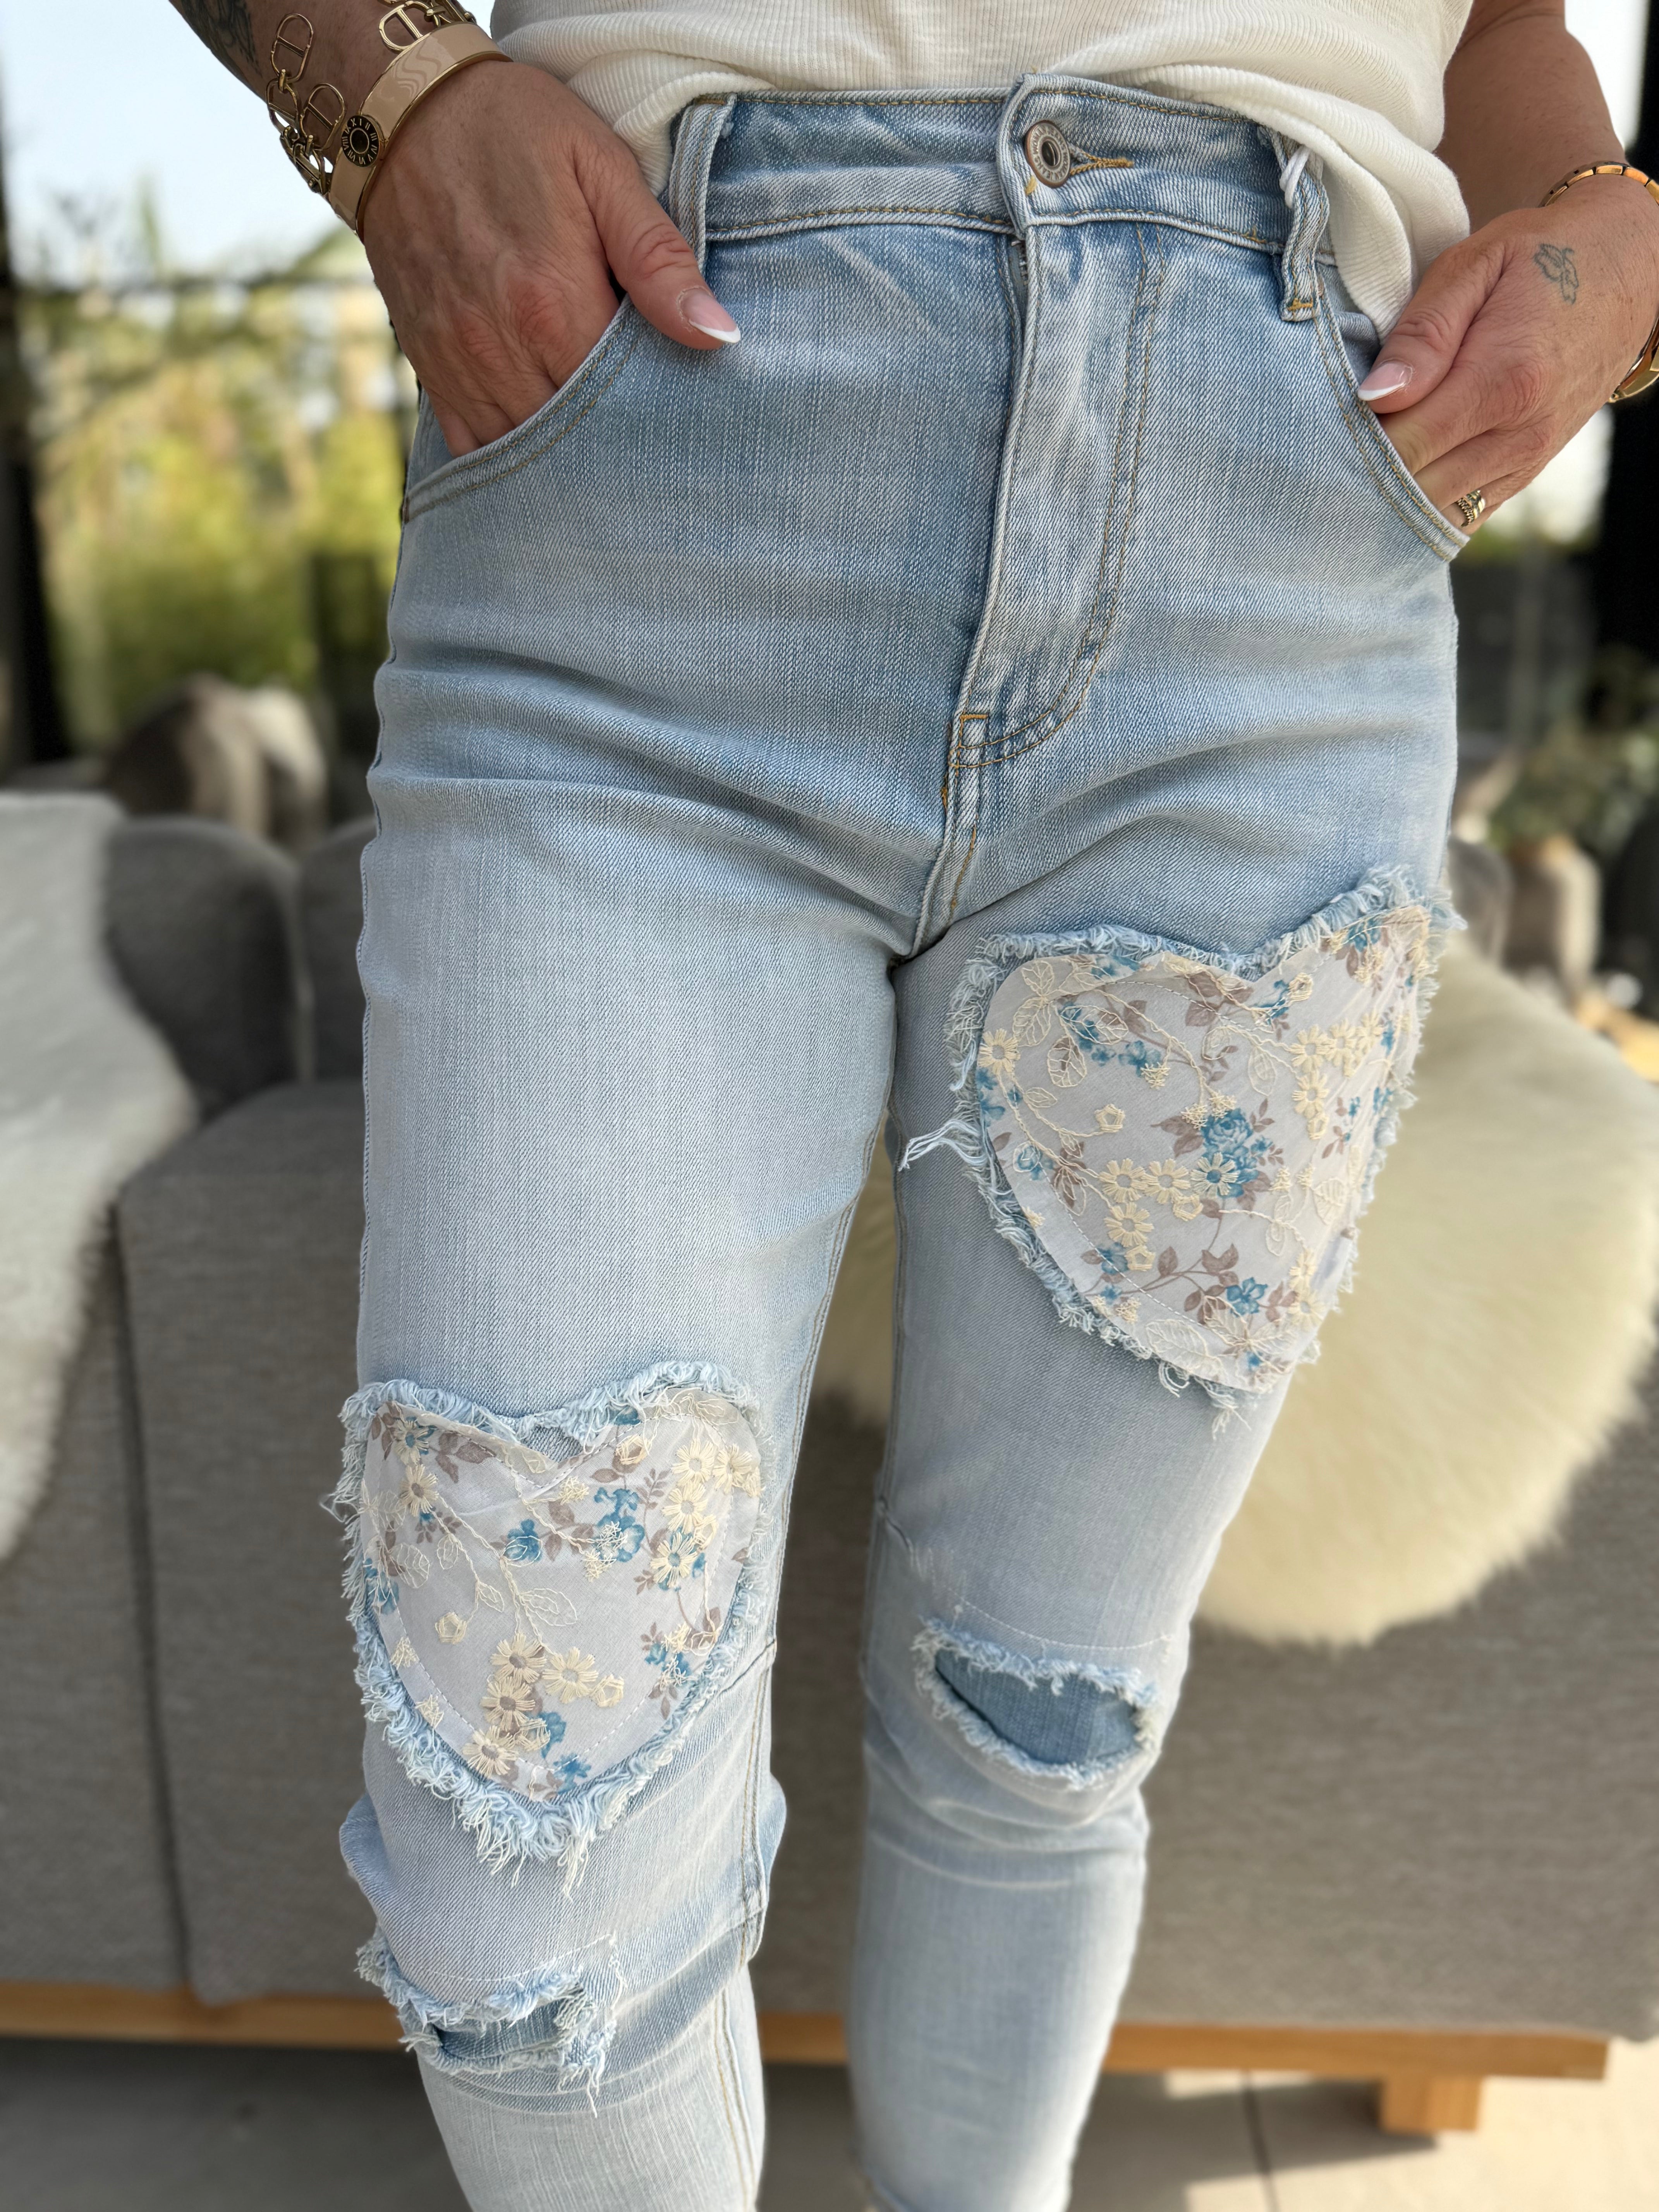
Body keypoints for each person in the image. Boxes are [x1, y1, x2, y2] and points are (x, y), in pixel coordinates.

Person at [167, 5, 1659, 2208]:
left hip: (1278, 562)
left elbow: (1510, 22)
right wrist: (389, 94)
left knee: (1039, 1718)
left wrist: (1614, 234)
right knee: (522, 1891)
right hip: (646, 492)